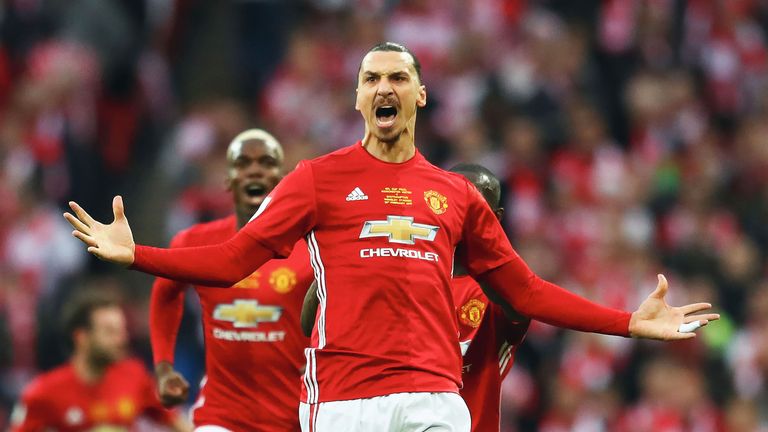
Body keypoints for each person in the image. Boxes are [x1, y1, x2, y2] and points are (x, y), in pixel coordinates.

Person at [64, 42, 719, 432]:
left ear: (420, 96)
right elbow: (236, 259)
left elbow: (524, 289)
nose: (385, 87)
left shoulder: (456, 194)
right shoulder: (316, 180)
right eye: (372, 78)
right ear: (357, 98)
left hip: (435, 397)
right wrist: (138, 256)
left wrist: (629, 322)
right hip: (346, 401)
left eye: (398, 77)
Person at [299, 162, 530, 432]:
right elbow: (308, 326)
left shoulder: (498, 292)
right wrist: (336, 266)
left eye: (477, 206)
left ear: (496, 217)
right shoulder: (401, 271)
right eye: (456, 200)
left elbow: (523, 307)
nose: (466, 214)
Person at [150, 128, 313, 431]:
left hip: (297, 417)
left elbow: (348, 302)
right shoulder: (196, 242)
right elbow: (165, 293)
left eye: (266, 162)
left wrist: (327, 355)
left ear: (283, 178)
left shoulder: (310, 246)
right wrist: (163, 367)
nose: (254, 170)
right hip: (221, 415)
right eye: (243, 163)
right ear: (228, 179)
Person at [10, 291, 191, 432]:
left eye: (121, 331)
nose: (121, 339)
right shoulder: (43, 392)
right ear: (81, 337)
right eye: (110, 332)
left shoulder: (135, 375)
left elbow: (176, 421)